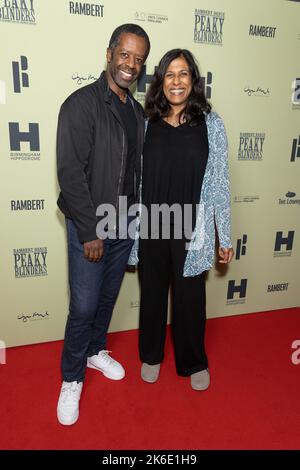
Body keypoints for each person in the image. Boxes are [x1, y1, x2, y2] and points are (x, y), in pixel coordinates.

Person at [56, 24, 150, 425]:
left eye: (139, 59)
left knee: (108, 297)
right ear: (109, 54)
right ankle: (71, 378)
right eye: (125, 54)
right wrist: (91, 230)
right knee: (83, 306)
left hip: (124, 222)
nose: (131, 64)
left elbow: (135, 172)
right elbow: (70, 172)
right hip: (91, 227)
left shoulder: (136, 111)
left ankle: (96, 351)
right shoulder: (81, 104)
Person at [128, 49, 234, 391]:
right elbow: (136, 179)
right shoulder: (147, 123)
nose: (177, 81)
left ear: (193, 80)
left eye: (184, 74)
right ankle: (151, 355)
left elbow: (219, 181)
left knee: (190, 299)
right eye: (170, 74)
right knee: (153, 295)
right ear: (161, 81)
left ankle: (193, 361)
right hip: (153, 224)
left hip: (194, 227)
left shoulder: (211, 123)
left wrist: (225, 236)